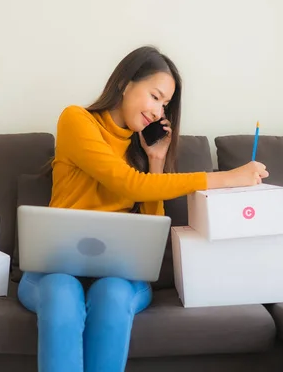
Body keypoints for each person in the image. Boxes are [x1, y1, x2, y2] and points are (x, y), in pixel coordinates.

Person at [17, 46, 269, 372]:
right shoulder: (76, 120)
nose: (158, 110)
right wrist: (228, 178)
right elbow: (129, 185)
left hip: (118, 273)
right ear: (124, 83)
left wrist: (156, 160)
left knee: (113, 295)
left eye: (164, 104)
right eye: (155, 96)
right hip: (54, 269)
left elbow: (151, 228)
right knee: (61, 293)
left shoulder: (138, 148)